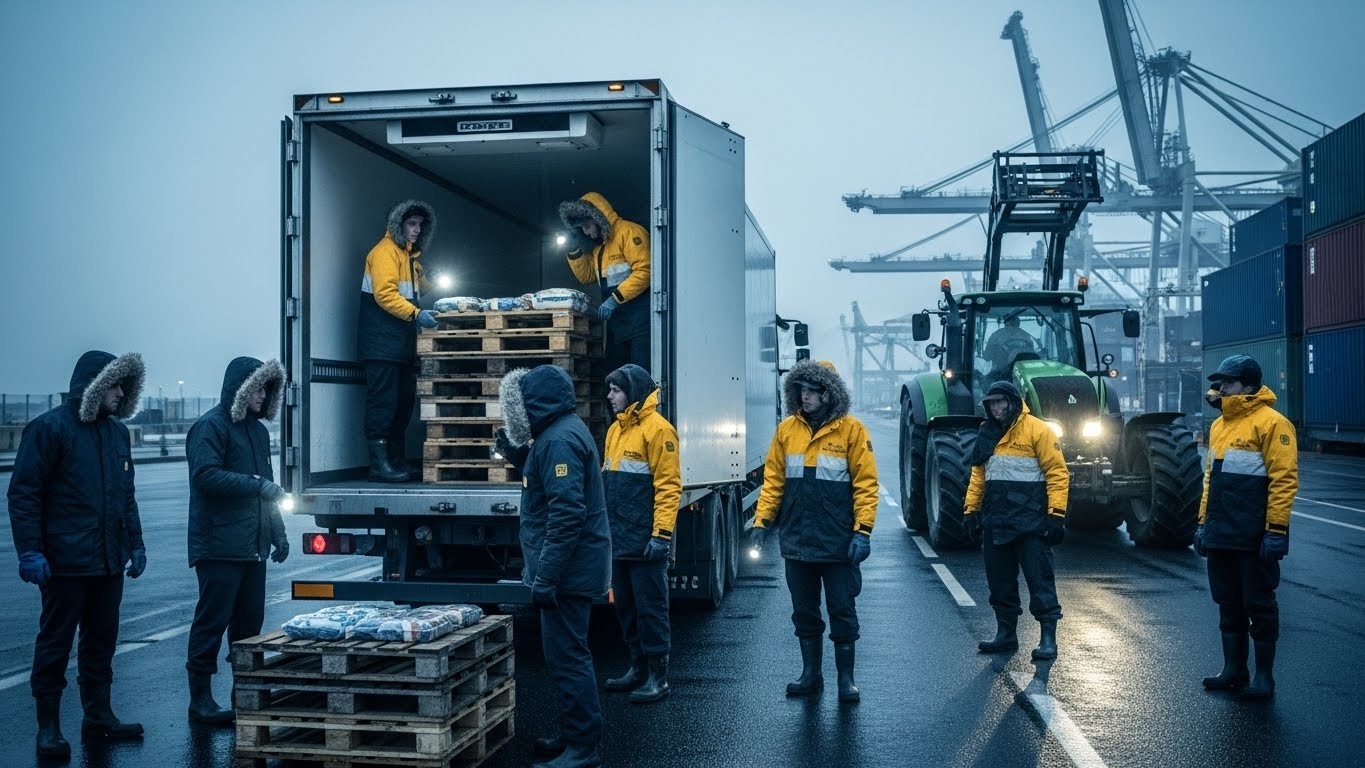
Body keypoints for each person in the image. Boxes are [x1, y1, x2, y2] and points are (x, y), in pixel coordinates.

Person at [7, 350, 148, 758]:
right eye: (116, 384)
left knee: (102, 642)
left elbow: (127, 496)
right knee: (55, 643)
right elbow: (24, 494)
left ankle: (98, 716)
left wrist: (135, 544)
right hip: (65, 564)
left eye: (125, 385)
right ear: (96, 384)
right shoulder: (50, 429)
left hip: (108, 561)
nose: (121, 393)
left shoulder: (117, 433)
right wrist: (30, 551)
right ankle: (47, 728)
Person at [497, 365, 610, 768]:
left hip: (569, 573)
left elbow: (566, 514)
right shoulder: (557, 433)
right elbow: (550, 485)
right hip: (571, 570)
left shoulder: (559, 440)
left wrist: (546, 576)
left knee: (569, 657)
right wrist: (519, 457)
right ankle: (572, 733)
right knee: (563, 655)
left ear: (533, 404)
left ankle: (582, 746)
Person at [749, 360, 878, 703]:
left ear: (828, 393)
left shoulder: (852, 431)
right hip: (798, 541)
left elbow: (866, 485)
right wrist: (761, 523)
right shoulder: (786, 430)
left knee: (842, 609)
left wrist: (862, 532)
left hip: (838, 542)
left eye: (811, 391)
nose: (804, 397)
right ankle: (811, 675)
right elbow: (773, 482)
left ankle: (846, 680)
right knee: (804, 611)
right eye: (801, 390)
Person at [184, 357, 290, 725]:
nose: (264, 395)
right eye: (258, 388)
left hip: (252, 547)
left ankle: (241, 697)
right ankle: (200, 700)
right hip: (218, 546)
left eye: (267, 389)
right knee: (212, 623)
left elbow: (269, 489)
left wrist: (278, 533)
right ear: (243, 390)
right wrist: (257, 486)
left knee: (248, 628)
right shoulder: (210, 427)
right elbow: (205, 476)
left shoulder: (257, 432)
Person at [1195, 354, 1297, 700]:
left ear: (1250, 386)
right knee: (1227, 603)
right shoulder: (1218, 425)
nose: (1220, 387)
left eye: (1228, 381)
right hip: (1222, 531)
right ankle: (1234, 669)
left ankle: (1264, 678)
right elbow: (1211, 481)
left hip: (1254, 534)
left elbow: (1284, 481)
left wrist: (1276, 530)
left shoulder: (1273, 424)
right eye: (1220, 381)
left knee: (1259, 605)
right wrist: (1202, 524)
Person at [965, 381, 1070, 661]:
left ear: (1013, 402)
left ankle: (1048, 639)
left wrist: (1056, 516)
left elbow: (1058, 473)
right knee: (999, 583)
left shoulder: (1038, 430)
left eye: (1001, 402)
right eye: (992, 403)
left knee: (1040, 580)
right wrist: (971, 512)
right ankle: (1006, 634)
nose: (996, 408)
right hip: (995, 523)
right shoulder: (986, 433)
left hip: (1031, 524)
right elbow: (978, 476)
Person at [599, 364, 681, 705]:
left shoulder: (659, 430)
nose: (609, 396)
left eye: (615, 390)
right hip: (619, 540)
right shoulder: (615, 432)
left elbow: (668, 487)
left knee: (652, 611)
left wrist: (661, 536)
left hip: (646, 542)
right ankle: (636, 668)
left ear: (631, 392)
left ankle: (658, 678)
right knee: (626, 610)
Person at [359, 199, 438, 483]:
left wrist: (426, 278)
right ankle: (380, 465)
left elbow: (415, 289)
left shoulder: (407, 258)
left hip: (401, 348)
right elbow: (385, 294)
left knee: (402, 405)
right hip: (381, 346)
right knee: (383, 405)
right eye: (411, 224)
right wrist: (417, 314)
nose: (416, 230)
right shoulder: (384, 253)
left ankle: (396, 460)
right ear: (399, 224)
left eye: (420, 225)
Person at [559, 192, 651, 372]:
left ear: (598, 219)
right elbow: (587, 277)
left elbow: (645, 270)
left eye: (587, 226)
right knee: (616, 373)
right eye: (582, 229)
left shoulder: (629, 232)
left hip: (640, 321)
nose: (586, 232)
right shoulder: (598, 249)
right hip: (617, 323)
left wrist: (614, 299)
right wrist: (573, 251)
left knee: (639, 373)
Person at [983, 315, 1037, 379]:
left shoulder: (1026, 337)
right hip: (1002, 371)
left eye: (1012, 325)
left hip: (1021, 372)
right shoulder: (996, 336)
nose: (1010, 328)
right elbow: (987, 356)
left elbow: (1032, 358)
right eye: (1008, 325)